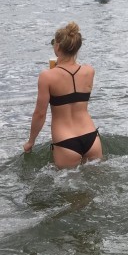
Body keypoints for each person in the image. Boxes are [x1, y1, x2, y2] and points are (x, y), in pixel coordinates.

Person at [23, 22, 102, 169]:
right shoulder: (89, 71)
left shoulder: (47, 76)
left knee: (68, 190)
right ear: (77, 47)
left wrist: (30, 142)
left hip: (66, 141)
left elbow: (40, 114)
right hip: (92, 138)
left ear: (57, 47)